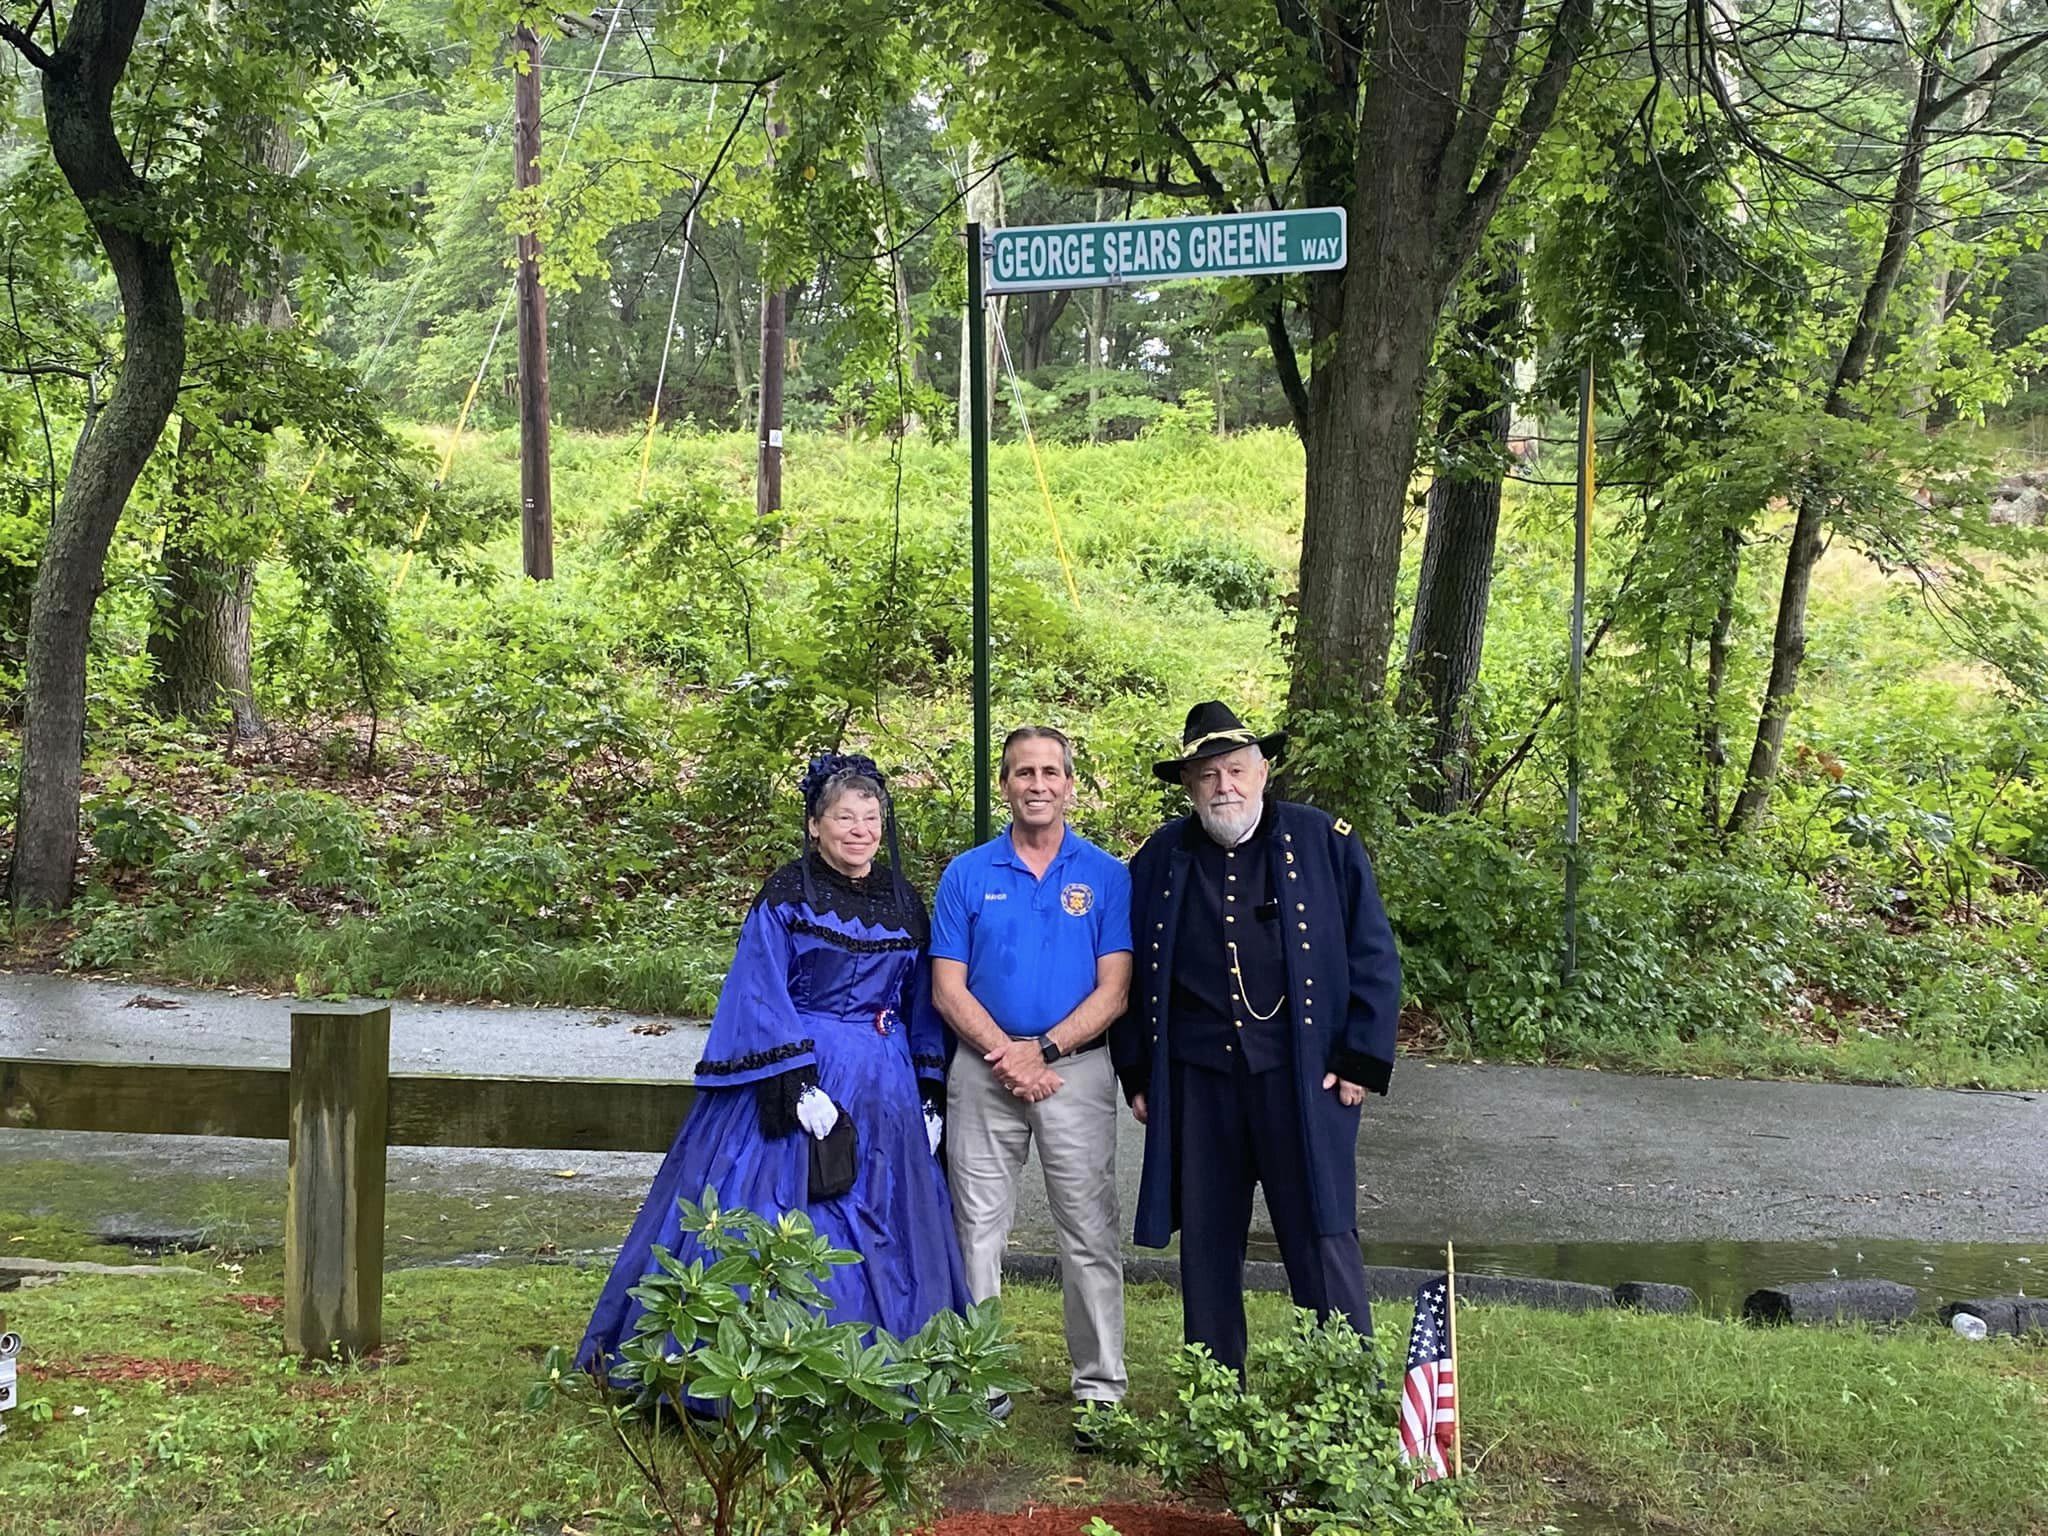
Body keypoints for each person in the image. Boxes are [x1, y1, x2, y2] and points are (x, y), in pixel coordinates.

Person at [577, 753, 969, 1380]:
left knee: (888, 1218)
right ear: (816, 824)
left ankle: (886, 1368)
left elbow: (920, 999)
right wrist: (796, 1085)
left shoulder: (905, 901)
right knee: (786, 1209)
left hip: (885, 1083)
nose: (861, 829)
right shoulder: (787, 893)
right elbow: (758, 991)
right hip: (803, 1070)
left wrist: (928, 1090)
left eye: (872, 817)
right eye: (846, 817)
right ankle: (759, 1368)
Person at [1110, 701, 1400, 1376]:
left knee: (1320, 1231)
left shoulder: (1325, 842)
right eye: (1208, 776)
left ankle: (1344, 1387)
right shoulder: (1160, 857)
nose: (1225, 788)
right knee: (1208, 1241)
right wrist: (1138, 1073)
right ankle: (1214, 1393)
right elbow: (1126, 970)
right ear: (1189, 786)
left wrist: (1360, 1057)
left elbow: (1374, 956)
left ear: (1262, 771)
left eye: (1236, 770)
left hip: (1302, 1075)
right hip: (1198, 1079)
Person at [930, 726, 1133, 1439]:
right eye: (1023, 772)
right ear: (1005, 784)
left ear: (1072, 784)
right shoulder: (966, 874)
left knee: (1087, 1232)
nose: (1037, 783)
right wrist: (1006, 1054)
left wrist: (1042, 1049)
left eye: (1051, 771)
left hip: (1075, 1072)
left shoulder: (1106, 876)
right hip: (982, 1074)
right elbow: (947, 989)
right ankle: (978, 1377)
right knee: (976, 1230)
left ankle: (1100, 1390)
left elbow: (1115, 991)